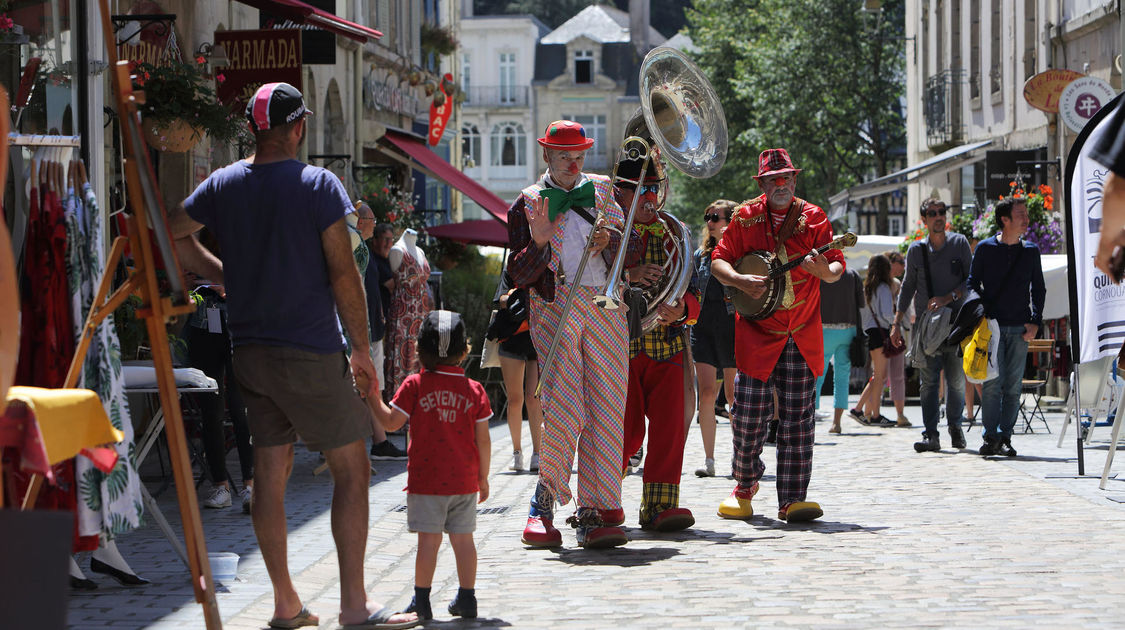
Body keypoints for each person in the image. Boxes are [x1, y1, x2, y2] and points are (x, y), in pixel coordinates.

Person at [170, 82, 418, 630]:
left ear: (257, 130)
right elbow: (343, 273)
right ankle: (353, 604)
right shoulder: (317, 183)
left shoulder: (225, 182)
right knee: (353, 469)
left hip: (249, 352)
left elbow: (173, 231)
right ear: (299, 127)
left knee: (270, 471)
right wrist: (360, 348)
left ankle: (286, 603)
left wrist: (224, 274)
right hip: (308, 347)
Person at [506, 120, 641, 548]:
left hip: (605, 305)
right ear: (546, 155)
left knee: (606, 406)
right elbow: (519, 274)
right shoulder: (526, 202)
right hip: (554, 306)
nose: (572, 162)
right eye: (564, 155)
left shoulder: (603, 190)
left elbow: (633, 251)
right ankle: (543, 504)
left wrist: (613, 240)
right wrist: (540, 243)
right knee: (563, 405)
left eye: (579, 154)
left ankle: (596, 510)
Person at [710, 148, 844, 523]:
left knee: (798, 419)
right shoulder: (745, 217)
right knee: (748, 414)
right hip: (757, 332)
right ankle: (744, 485)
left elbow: (836, 267)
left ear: (795, 180)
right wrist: (737, 279)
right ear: (763, 184)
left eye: (786, 178)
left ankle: (792, 498)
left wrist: (823, 271)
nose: (780, 185)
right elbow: (717, 259)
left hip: (800, 331)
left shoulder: (814, 218)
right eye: (773, 180)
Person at [368, 311, 491, 622]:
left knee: (428, 543)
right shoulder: (474, 390)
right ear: (464, 352)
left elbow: (391, 423)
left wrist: (370, 396)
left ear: (419, 351)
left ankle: (421, 602)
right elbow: (484, 441)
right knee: (464, 541)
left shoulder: (415, 385)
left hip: (426, 483)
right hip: (464, 482)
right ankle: (467, 598)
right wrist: (484, 478)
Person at [617, 155, 701, 531]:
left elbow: (694, 289)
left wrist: (683, 308)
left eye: (652, 190)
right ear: (620, 192)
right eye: (638, 191)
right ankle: (599, 500)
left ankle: (660, 506)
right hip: (620, 345)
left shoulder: (677, 231)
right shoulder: (609, 231)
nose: (648, 199)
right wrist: (629, 274)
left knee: (669, 429)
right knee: (620, 428)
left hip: (667, 342)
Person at [890, 197, 971, 454]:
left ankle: (955, 426)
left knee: (957, 381)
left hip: (956, 324)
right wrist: (896, 323)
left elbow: (971, 281)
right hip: (927, 328)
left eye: (942, 212)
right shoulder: (916, 250)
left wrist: (949, 297)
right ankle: (931, 435)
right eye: (933, 213)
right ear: (924, 220)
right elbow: (907, 288)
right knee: (928, 383)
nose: (939, 217)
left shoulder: (959, 244)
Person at [968, 197, 1045, 457]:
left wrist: (1036, 322)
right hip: (993, 329)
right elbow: (971, 283)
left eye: (1025, 214)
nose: (1026, 218)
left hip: (1021, 329)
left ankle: (1005, 436)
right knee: (991, 385)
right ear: (1005, 220)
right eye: (1020, 214)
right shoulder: (986, 249)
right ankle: (990, 436)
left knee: (1013, 388)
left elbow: (1039, 288)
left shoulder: (1031, 251)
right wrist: (981, 313)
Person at [353, 206, 408, 462]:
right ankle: (378, 441)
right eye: (372, 222)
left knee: (372, 386)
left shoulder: (368, 254)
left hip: (373, 327)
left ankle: (379, 440)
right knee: (369, 386)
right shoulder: (359, 251)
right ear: (362, 221)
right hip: (362, 331)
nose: (374, 227)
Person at [691, 199, 739, 477]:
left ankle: (739, 456)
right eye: (707, 216)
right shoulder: (700, 255)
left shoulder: (739, 254)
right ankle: (709, 460)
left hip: (731, 326)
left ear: (730, 222)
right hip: (703, 326)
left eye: (715, 217)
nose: (709, 222)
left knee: (734, 396)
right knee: (706, 394)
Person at [490, 273, 543, 473]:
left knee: (533, 397)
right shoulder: (510, 270)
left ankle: (537, 453)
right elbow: (499, 301)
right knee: (514, 399)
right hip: (511, 339)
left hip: (537, 338)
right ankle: (517, 452)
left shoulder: (544, 264)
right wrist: (515, 295)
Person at [814, 266, 863, 434]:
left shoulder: (820, 273)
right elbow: (861, 303)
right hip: (848, 329)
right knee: (842, 377)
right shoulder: (853, 274)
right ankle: (836, 423)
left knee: (817, 376)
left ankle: (810, 417)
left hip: (823, 329)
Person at [853, 254, 896, 427]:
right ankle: (873, 413)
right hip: (881, 332)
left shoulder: (867, 288)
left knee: (878, 374)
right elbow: (887, 313)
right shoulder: (884, 287)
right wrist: (894, 324)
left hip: (870, 331)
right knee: (880, 376)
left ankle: (864, 410)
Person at [371, 223, 396, 399]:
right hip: (376, 325)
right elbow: (394, 286)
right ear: (375, 240)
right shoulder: (375, 262)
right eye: (385, 239)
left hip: (385, 323)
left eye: (391, 240)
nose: (389, 244)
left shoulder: (386, 260)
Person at [884, 250, 909, 427]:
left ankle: (900, 413)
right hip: (884, 331)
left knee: (895, 374)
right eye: (900, 261)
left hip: (892, 330)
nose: (903, 265)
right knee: (880, 375)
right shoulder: (881, 285)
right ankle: (870, 411)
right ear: (891, 263)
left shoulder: (896, 284)